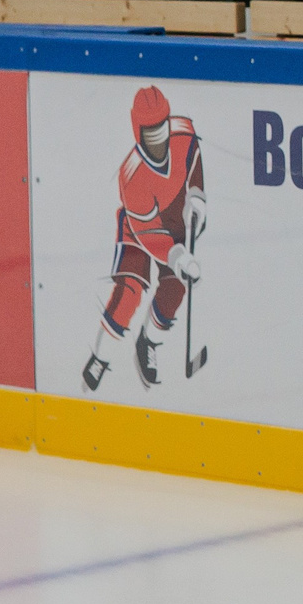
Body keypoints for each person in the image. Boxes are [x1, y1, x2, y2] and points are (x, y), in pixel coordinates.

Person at [82, 85, 205, 392]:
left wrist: (197, 194)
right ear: (138, 132)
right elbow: (148, 233)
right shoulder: (131, 176)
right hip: (140, 229)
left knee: (175, 289)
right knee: (129, 293)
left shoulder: (183, 132)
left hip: (173, 215)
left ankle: (147, 340)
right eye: (151, 134)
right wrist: (177, 256)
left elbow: (193, 158)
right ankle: (100, 357)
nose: (159, 140)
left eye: (161, 129)